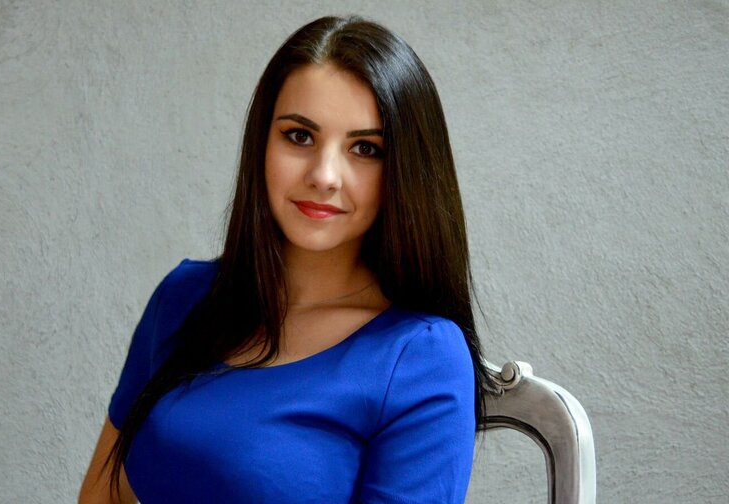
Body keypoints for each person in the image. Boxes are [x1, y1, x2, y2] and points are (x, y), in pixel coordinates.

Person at [79, 15, 492, 504]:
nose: (324, 175)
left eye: (365, 148)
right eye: (299, 136)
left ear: (404, 171)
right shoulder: (184, 298)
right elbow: (102, 494)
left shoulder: (420, 357)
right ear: (262, 143)